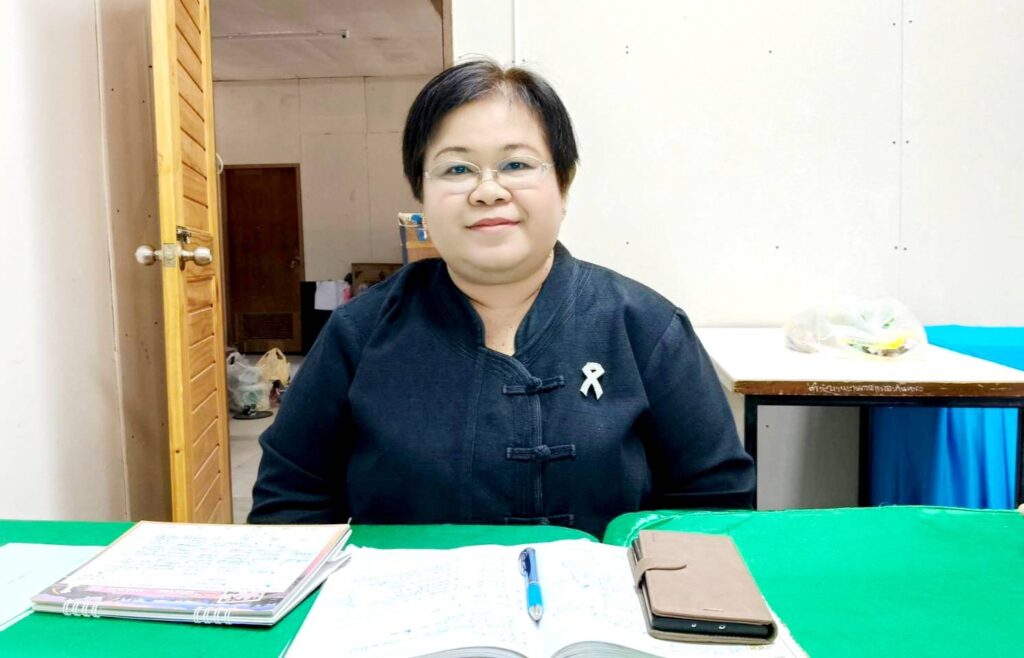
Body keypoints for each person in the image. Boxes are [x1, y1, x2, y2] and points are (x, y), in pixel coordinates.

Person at [248, 59, 754, 537]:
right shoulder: (359, 334)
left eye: (516, 164)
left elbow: (714, 505)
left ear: (563, 185)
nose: (488, 191)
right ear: (421, 196)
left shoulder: (646, 326)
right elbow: (289, 503)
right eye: (457, 170)